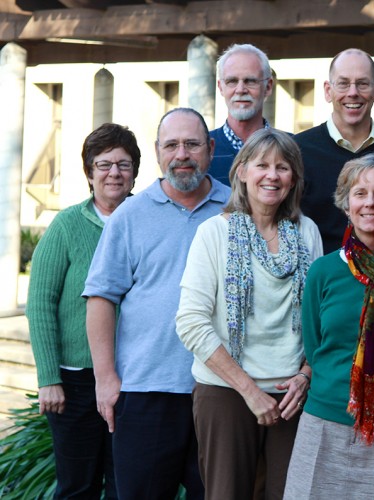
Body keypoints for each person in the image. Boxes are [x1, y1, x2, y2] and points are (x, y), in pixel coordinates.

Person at [84, 108, 231, 499]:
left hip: (220, 389)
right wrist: (106, 379)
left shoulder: (237, 210)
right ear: (157, 152)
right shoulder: (130, 215)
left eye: (192, 144)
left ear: (211, 148)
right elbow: (100, 297)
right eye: (171, 145)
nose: (181, 153)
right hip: (147, 390)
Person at [175, 128, 323, 499]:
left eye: (283, 167)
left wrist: (305, 376)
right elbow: (190, 323)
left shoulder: (307, 232)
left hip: (292, 396)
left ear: (294, 178)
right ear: (241, 172)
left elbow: (322, 321)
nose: (272, 175)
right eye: (262, 165)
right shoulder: (214, 233)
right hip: (226, 392)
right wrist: (250, 391)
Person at [284, 154, 374, 499]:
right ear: (346, 204)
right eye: (360, 193)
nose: (370, 203)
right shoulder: (324, 271)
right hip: (328, 423)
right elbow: (316, 346)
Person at [26, 123, 140, 500]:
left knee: (126, 484)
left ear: (136, 171)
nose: (114, 173)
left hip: (135, 377)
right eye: (103, 164)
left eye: (123, 165)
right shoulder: (66, 225)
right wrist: (48, 378)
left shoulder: (146, 219)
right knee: (77, 486)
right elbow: (41, 303)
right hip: (75, 382)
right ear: (89, 173)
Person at [296, 48, 374, 253]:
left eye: (362, 83)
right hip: (320, 276)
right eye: (343, 83)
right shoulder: (298, 151)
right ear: (327, 90)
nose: (353, 92)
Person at [209, 43, 273, 186]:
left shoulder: (294, 148)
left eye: (250, 81)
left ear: (268, 87)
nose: (240, 90)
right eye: (232, 81)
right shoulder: (201, 150)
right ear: (220, 87)